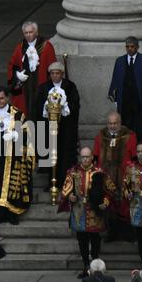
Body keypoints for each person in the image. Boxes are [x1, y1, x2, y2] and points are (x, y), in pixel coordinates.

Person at [58, 147, 116, 278]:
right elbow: (65, 191)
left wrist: (105, 202)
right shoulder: (73, 172)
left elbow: (111, 190)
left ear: (92, 158)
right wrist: (70, 197)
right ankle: (85, 267)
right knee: (82, 240)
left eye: (87, 157)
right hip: (79, 212)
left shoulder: (99, 173)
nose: (84, 159)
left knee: (95, 240)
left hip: (94, 212)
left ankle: (96, 267)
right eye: (82, 157)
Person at [0, 86, 35, 225]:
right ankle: (1, 214)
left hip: (13, 155)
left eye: (2, 98)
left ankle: (13, 213)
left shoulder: (17, 114)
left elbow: (27, 133)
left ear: (7, 98)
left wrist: (15, 134)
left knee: (13, 184)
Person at [93, 111, 137, 242]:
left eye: (115, 123)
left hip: (125, 176)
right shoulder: (100, 137)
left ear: (120, 123)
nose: (112, 126)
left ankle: (127, 233)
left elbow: (134, 158)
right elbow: (95, 157)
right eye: (110, 123)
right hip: (106, 177)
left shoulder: (130, 136)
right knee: (109, 203)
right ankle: (111, 233)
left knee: (125, 204)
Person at [36, 61, 80, 189]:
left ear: (62, 74)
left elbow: (75, 105)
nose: (55, 76)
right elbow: (38, 106)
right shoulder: (44, 87)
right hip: (49, 127)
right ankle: (51, 182)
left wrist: (63, 107)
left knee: (65, 154)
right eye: (52, 73)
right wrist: (47, 108)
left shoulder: (70, 86)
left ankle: (66, 182)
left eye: (57, 73)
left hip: (66, 128)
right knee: (51, 154)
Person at [7, 21, 56, 120]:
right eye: (26, 33)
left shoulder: (46, 47)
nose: (29, 35)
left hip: (41, 87)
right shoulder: (19, 48)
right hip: (25, 89)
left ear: (36, 33)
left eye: (31, 32)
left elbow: (53, 68)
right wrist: (17, 76)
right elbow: (12, 66)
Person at [108, 36, 142, 134]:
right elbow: (115, 79)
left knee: (139, 126)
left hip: (139, 99)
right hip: (124, 99)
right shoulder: (119, 61)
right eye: (127, 47)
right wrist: (115, 96)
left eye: (132, 46)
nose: (130, 49)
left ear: (137, 47)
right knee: (124, 126)